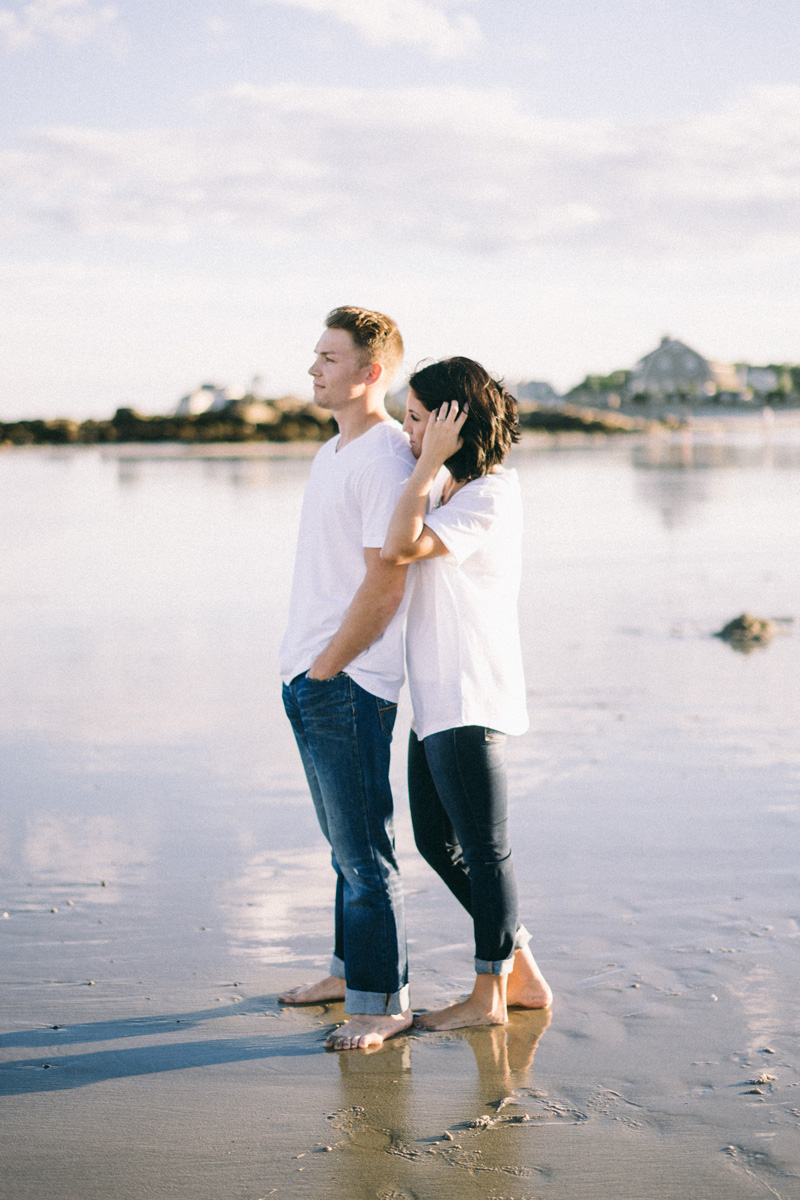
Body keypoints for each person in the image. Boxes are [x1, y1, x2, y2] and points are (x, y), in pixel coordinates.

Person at [381, 357, 552, 1030]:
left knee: (485, 850)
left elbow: (401, 546)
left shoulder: (489, 494)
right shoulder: (456, 488)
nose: (405, 431)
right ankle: (524, 977)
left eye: (417, 419)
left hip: (467, 694)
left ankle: (488, 1000)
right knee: (436, 842)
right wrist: (430, 468)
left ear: (454, 422)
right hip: (437, 701)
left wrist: (425, 466)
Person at [278, 306, 416, 1050]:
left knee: (366, 852)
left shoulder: (387, 458)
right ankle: (345, 973)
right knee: (342, 845)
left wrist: (329, 666)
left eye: (329, 358)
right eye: (316, 356)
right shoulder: (334, 450)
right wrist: (305, 666)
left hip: (348, 680)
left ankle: (385, 1001)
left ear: (373, 371)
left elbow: (385, 583)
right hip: (308, 670)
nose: (313, 369)